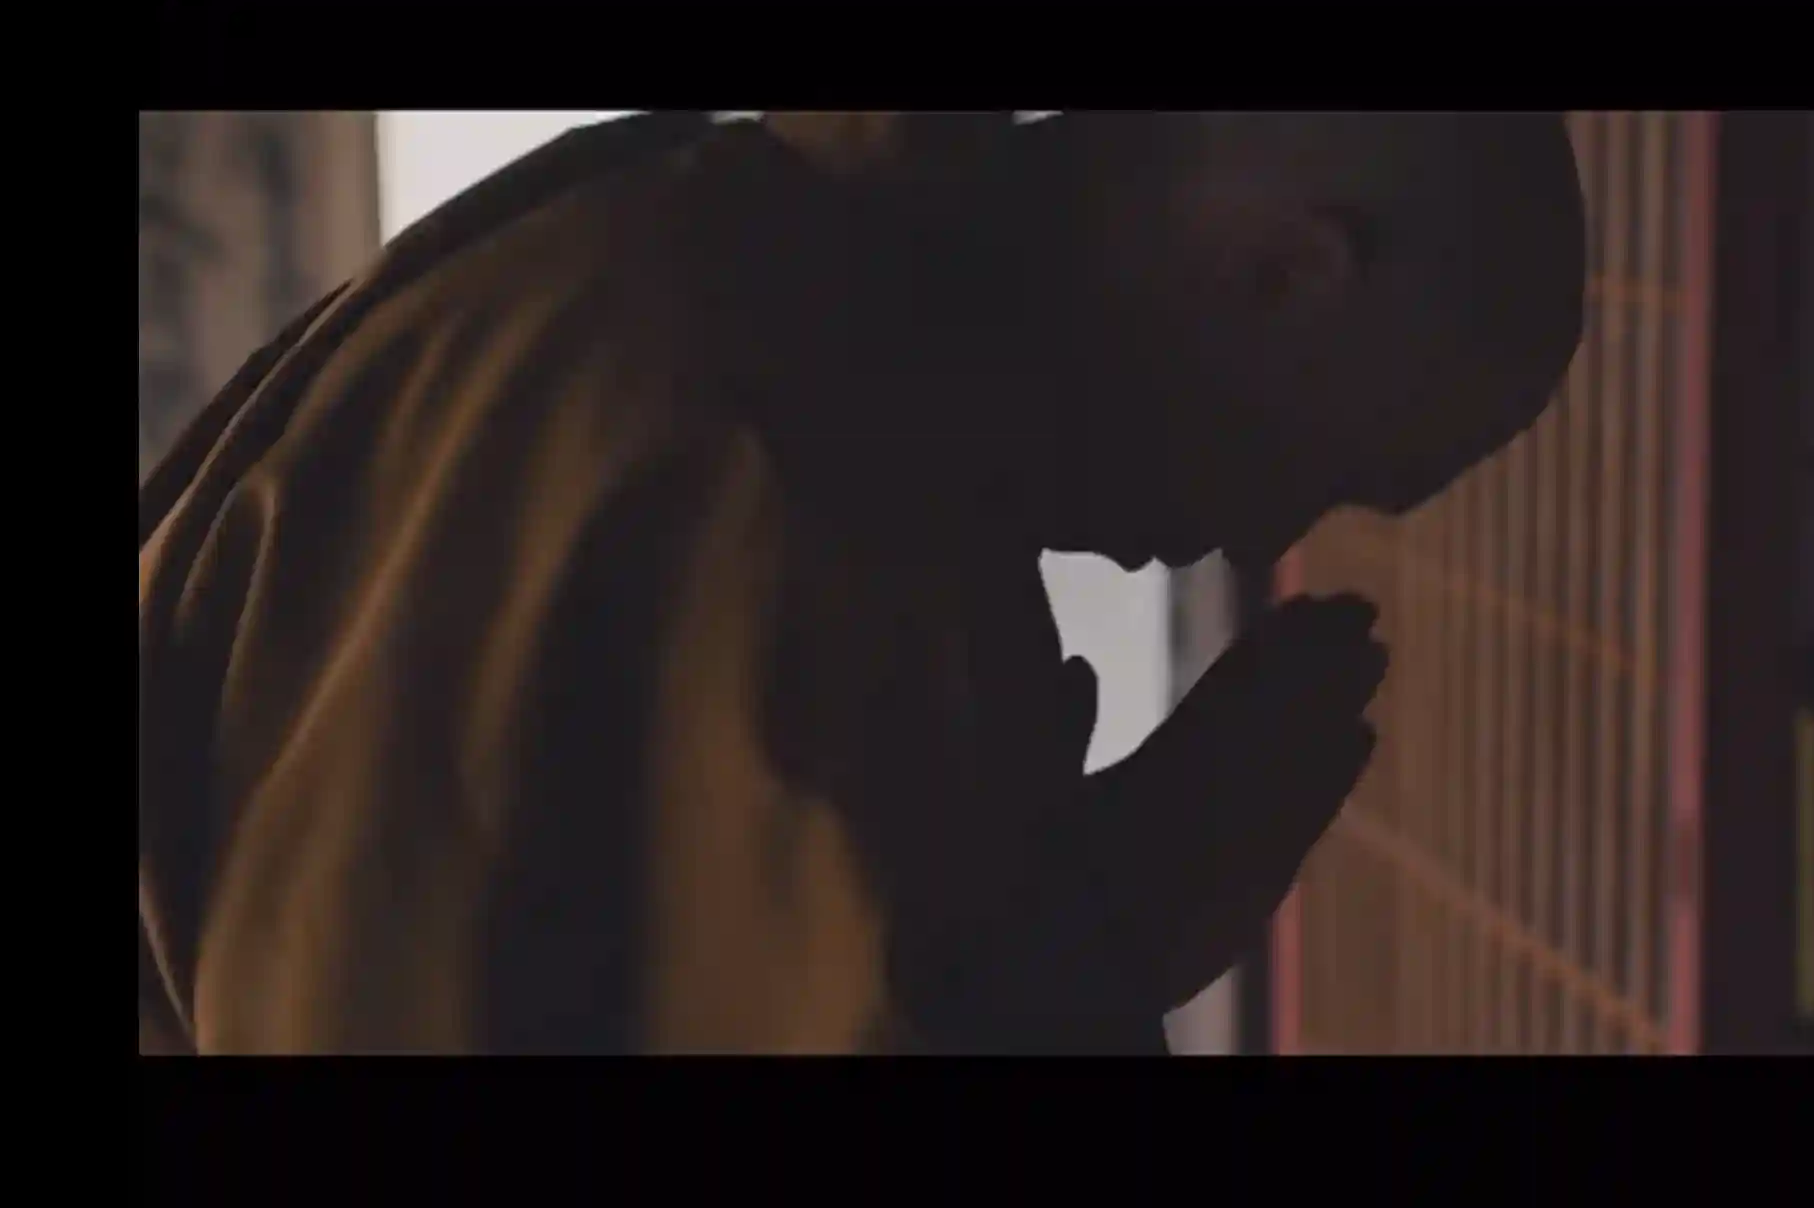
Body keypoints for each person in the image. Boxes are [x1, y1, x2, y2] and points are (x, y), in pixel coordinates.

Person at [136, 110, 1588, 1054]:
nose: (1262, 538)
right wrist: (1116, 923)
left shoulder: (754, 272)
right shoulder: (792, 436)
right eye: (1328, 469)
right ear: (1286, 273)